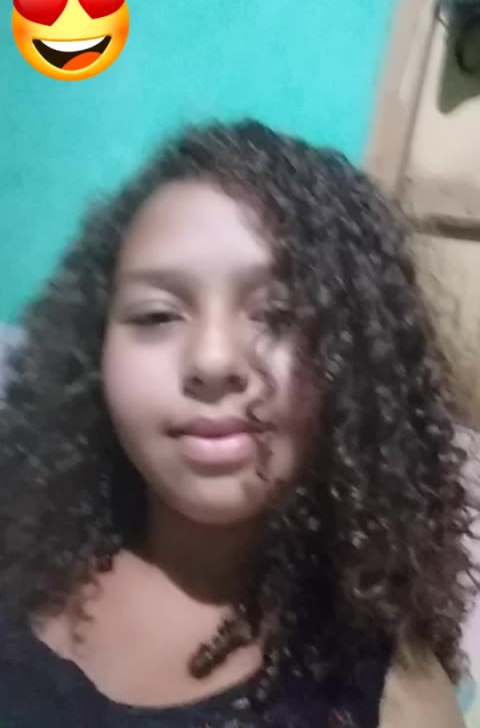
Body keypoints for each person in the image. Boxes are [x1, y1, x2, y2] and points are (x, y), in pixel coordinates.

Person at [0, 120, 473, 727]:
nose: (213, 361)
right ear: (93, 352)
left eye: (277, 314)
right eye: (157, 315)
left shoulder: (389, 698)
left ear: (356, 364)